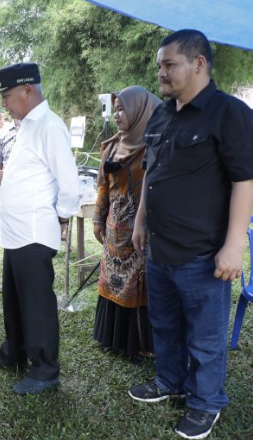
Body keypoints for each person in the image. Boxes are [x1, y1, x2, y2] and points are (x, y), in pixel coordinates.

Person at [129, 29, 253, 440]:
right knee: (165, 326)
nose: (162, 73)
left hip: (203, 254)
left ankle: (206, 402)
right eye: (159, 66)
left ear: (198, 63)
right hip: (160, 248)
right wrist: (139, 221)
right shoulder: (163, 113)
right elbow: (153, 172)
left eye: (169, 64)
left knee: (205, 339)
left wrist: (233, 246)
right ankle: (169, 382)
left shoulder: (229, 113)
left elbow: (245, 180)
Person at [0, 62, 80, 395]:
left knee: (36, 303)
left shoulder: (49, 126)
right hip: (16, 231)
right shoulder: (26, 126)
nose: (3, 103)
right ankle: (15, 352)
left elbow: (68, 184)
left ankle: (45, 368)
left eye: (6, 95)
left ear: (27, 90)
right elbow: (28, 176)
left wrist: (61, 219)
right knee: (15, 298)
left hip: (34, 232)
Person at [91, 86, 161, 363]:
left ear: (140, 110)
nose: (118, 115)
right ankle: (113, 339)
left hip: (141, 230)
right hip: (113, 228)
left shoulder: (154, 145)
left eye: (123, 109)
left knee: (137, 283)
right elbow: (103, 187)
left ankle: (139, 344)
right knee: (113, 281)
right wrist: (98, 218)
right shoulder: (111, 146)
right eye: (115, 109)